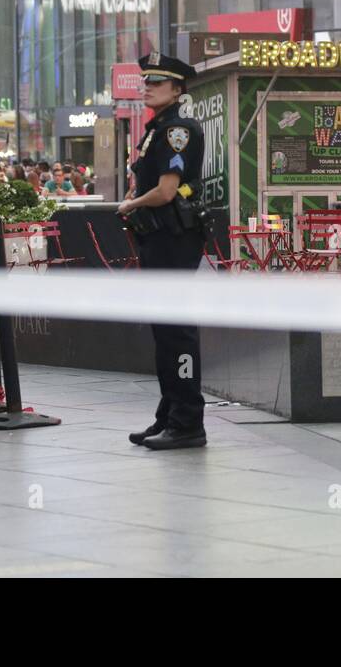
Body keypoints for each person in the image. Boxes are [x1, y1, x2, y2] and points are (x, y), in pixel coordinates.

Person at [118, 51, 208, 451]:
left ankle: (189, 421)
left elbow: (167, 191)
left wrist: (131, 205)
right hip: (159, 239)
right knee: (164, 332)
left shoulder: (178, 130)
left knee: (177, 333)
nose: (148, 87)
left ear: (178, 89)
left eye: (158, 82)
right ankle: (169, 415)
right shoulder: (157, 129)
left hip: (174, 239)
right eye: (147, 81)